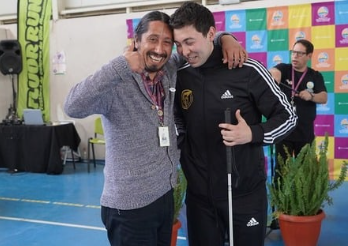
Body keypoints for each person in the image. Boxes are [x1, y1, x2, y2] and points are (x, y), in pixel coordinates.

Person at [64, 10, 246, 246]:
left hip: (164, 198)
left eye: (167, 42)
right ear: (136, 41)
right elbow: (72, 105)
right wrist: (120, 65)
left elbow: (202, 38)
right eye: (152, 39)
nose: (159, 49)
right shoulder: (116, 83)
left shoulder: (168, 69)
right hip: (129, 208)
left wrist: (226, 39)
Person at [169, 2, 297, 246]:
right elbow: (177, 120)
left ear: (210, 34)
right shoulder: (180, 74)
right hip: (199, 199)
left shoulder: (247, 70)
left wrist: (252, 133)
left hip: (244, 195)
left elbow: (289, 117)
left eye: (189, 41)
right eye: (178, 44)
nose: (184, 51)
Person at [270, 39, 328, 171]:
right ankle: (281, 192)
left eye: (299, 53)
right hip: (283, 131)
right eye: (293, 52)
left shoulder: (315, 75)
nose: (295, 56)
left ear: (309, 55)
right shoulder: (284, 69)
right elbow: (274, 71)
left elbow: (323, 97)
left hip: (304, 132)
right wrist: (274, 76)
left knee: (306, 172)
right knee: (282, 171)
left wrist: (311, 96)